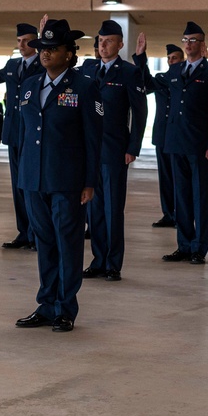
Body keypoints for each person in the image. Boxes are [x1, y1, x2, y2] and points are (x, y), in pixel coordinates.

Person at [13, 19, 102, 333]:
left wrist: (90, 181)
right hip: (33, 178)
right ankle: (46, 304)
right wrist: (22, 173)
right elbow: (25, 133)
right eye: (42, 49)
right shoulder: (29, 85)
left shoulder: (85, 86)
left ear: (69, 53)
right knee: (45, 242)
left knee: (68, 243)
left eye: (53, 49)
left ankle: (65, 308)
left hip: (68, 180)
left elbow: (94, 138)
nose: (46, 54)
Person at [78, 19, 147, 281]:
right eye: (99, 41)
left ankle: (112, 264)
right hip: (89, 150)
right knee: (93, 209)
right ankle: (97, 259)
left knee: (112, 208)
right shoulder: (87, 68)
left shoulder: (129, 72)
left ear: (119, 44)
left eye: (108, 41)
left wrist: (133, 147)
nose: (102, 45)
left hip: (115, 149)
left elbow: (140, 112)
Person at [160, 22, 208, 265]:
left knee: (199, 196)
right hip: (176, 142)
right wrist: (138, 57)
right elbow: (152, 84)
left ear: (202, 44)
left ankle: (199, 248)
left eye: (194, 40)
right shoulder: (176, 70)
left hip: (200, 145)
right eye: (186, 40)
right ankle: (184, 244)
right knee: (181, 197)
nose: (189, 44)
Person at [0, 23, 44, 249]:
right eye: (19, 41)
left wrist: (45, 39)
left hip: (33, 133)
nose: (22, 45)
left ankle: (37, 234)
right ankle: (23, 232)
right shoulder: (12, 64)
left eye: (27, 40)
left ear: (35, 42)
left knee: (32, 185)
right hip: (14, 132)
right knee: (17, 185)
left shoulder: (43, 63)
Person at [148, 43, 184, 227]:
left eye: (175, 58)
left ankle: (181, 215)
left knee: (179, 177)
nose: (171, 61)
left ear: (182, 60)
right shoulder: (161, 78)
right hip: (162, 134)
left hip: (178, 136)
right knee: (165, 178)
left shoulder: (186, 79)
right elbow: (145, 85)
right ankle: (168, 214)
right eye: (169, 58)